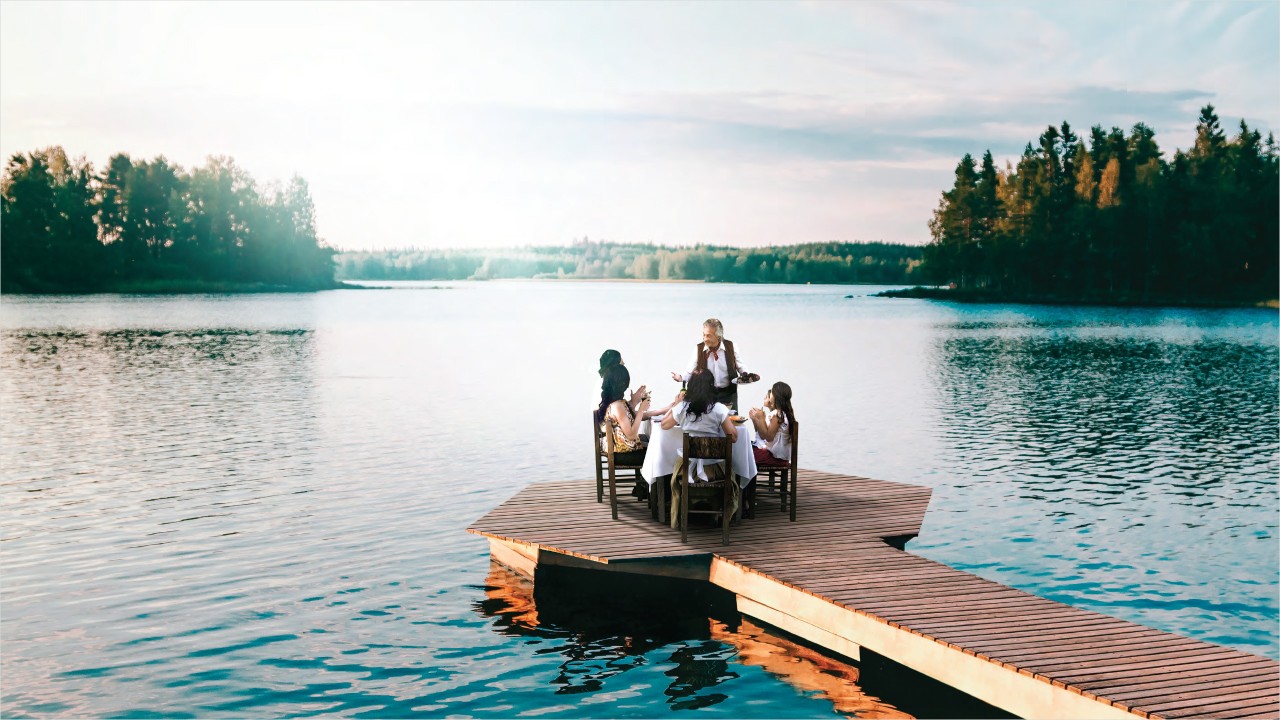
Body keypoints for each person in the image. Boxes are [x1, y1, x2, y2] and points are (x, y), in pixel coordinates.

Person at [661, 370, 740, 526]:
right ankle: (722, 514)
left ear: (691, 387)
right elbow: (734, 437)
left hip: (687, 469)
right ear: (712, 387)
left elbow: (664, 424)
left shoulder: (683, 407)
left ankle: (680, 517)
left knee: (671, 464)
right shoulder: (719, 409)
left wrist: (675, 405)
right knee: (733, 469)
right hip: (715, 471)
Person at [670, 318, 756, 412]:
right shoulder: (698, 349)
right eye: (703, 335)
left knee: (732, 422)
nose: (705, 338)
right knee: (709, 423)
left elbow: (741, 366)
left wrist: (746, 375)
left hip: (729, 395)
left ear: (718, 336)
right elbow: (690, 371)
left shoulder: (731, 346)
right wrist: (680, 377)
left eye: (709, 336)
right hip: (707, 395)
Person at [748, 381, 795, 467]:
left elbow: (768, 437)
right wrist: (756, 419)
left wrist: (761, 418)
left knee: (742, 454)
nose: (770, 395)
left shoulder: (777, 415)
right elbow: (763, 435)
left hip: (775, 458)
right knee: (746, 448)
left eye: (772, 393)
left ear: (776, 396)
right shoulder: (785, 413)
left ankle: (745, 480)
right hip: (780, 457)